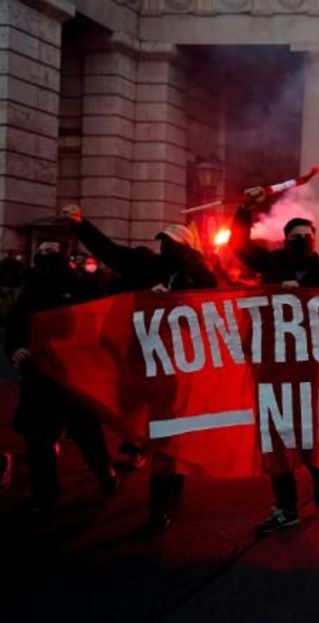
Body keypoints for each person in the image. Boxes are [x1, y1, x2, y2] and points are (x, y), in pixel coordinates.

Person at [64, 204, 216, 531]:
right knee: (137, 413)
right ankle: (136, 447)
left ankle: (161, 502)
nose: (166, 248)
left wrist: (179, 295)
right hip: (142, 357)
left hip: (180, 364)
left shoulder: (198, 275)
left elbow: (214, 305)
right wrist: (81, 225)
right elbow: (111, 252)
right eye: (164, 242)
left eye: (173, 244)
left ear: (187, 248)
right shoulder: (146, 264)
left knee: (169, 432)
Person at [230, 190, 319, 535]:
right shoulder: (271, 264)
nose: (301, 242)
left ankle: (317, 470)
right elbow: (238, 246)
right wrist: (244, 210)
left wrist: (305, 299)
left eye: (306, 237)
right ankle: (286, 506)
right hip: (270, 361)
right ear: (285, 241)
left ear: (314, 240)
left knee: (302, 428)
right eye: (294, 238)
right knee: (274, 432)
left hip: (305, 363)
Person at [5, 239, 119, 513]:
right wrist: (16, 348)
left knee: (78, 431)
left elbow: (96, 318)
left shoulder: (75, 285)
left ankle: (99, 474)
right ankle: (53, 489)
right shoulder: (36, 287)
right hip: (49, 373)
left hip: (65, 373)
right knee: (47, 434)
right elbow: (16, 322)